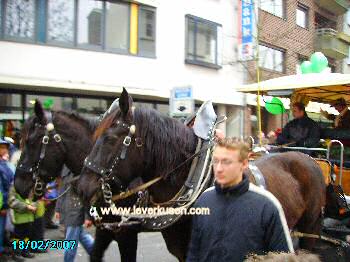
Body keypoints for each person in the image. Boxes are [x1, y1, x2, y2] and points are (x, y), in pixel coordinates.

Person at [186, 138, 292, 262]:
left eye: (226, 162)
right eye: (215, 161)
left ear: (244, 164)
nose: (218, 169)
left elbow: (284, 258)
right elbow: (194, 252)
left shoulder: (267, 205)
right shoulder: (203, 200)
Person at [55, 166, 94, 262]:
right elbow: (62, 189)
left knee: (70, 243)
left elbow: (87, 194)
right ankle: (97, 254)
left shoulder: (81, 167)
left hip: (77, 211)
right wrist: (58, 208)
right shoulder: (65, 167)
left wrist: (88, 216)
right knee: (82, 237)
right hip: (67, 208)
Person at [0, 138, 15, 260]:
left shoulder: (4, 163)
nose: (6, 149)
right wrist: (2, 206)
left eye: (5, 147)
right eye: (3, 147)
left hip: (5, 202)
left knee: (3, 230)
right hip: (2, 205)